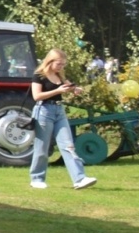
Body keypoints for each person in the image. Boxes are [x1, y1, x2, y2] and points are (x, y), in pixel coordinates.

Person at [29, 49, 98, 191]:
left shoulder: (59, 75)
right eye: (59, 64)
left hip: (59, 111)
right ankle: (37, 178)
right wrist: (57, 91)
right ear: (50, 61)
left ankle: (79, 178)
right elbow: (37, 96)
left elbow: (68, 87)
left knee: (68, 146)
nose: (61, 67)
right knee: (42, 147)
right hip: (44, 111)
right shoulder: (39, 76)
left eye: (63, 64)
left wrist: (75, 90)